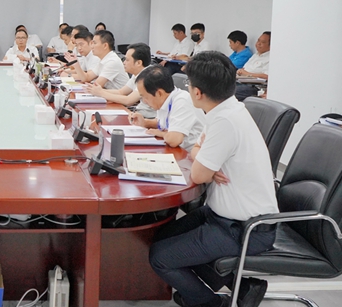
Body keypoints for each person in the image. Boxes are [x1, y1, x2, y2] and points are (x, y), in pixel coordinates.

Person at [149, 51, 278, 307]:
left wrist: (204, 161)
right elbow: (196, 152)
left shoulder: (225, 122)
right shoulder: (224, 110)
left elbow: (198, 174)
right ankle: (242, 287)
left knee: (160, 257)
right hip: (222, 215)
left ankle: (210, 303)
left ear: (197, 92)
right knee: (162, 237)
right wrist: (205, 158)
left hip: (245, 229)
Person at [129, 65, 204, 150]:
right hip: (177, 150)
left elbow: (174, 140)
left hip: (190, 154)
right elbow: (162, 123)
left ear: (159, 93)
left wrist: (161, 133)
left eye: (145, 97)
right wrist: (144, 122)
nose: (144, 101)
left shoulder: (182, 101)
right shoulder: (165, 100)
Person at [83, 43, 156, 117]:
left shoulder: (148, 76)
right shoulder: (137, 74)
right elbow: (121, 92)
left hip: (147, 117)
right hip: (138, 113)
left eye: (127, 60)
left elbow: (128, 100)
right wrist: (96, 91)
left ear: (138, 63)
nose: (124, 63)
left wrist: (101, 93)